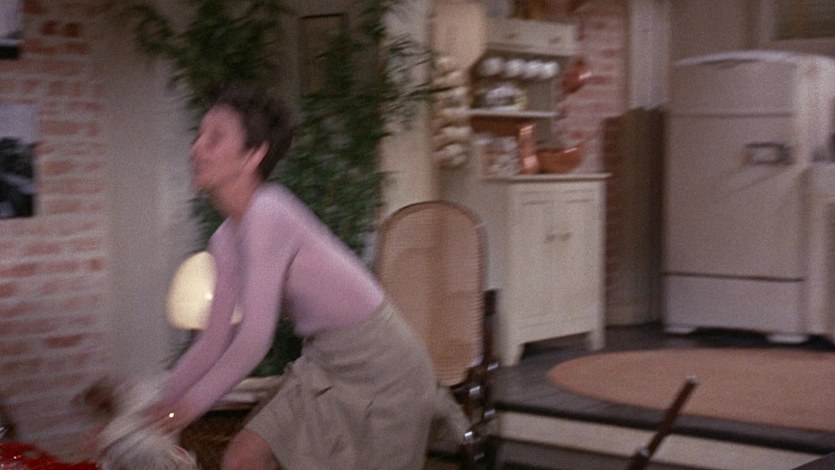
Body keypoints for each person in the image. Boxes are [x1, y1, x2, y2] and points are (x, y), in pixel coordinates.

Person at [151, 83, 465, 469]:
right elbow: (212, 341)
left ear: (253, 155)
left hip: (384, 365)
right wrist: (153, 410)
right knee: (243, 460)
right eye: (199, 136)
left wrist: (184, 410)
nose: (197, 149)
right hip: (326, 360)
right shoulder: (224, 240)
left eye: (214, 138)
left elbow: (253, 341)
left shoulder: (268, 211)